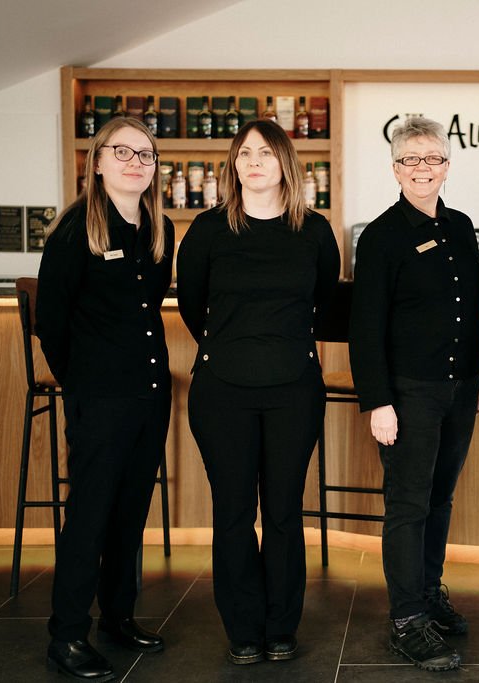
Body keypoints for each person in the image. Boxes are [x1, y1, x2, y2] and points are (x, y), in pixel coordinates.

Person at [176, 120, 340, 665]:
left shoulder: (314, 231)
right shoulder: (207, 230)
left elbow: (323, 302)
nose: (254, 162)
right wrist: (230, 347)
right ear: (233, 164)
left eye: (266, 153)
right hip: (223, 390)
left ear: (286, 164)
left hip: (294, 387)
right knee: (232, 511)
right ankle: (243, 628)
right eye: (245, 153)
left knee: (284, 512)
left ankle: (280, 626)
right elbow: (192, 305)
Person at [349, 116, 479, 672]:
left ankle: (429, 595)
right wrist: (377, 402)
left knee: (440, 498)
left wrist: (476, 376)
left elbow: (471, 308)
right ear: (396, 169)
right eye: (411, 159)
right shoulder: (382, 236)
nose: (422, 168)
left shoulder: (460, 225)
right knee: (407, 506)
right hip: (407, 394)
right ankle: (407, 620)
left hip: (458, 389)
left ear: (447, 166)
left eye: (432, 158)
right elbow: (367, 327)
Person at [36, 116, 174, 681]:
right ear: (97, 161)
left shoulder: (157, 229)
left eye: (146, 154)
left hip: (149, 394)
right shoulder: (75, 230)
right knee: (90, 514)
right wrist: (82, 382)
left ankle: (117, 616)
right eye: (124, 152)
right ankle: (67, 634)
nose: (136, 162)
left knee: (129, 513)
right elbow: (51, 322)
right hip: (100, 396)